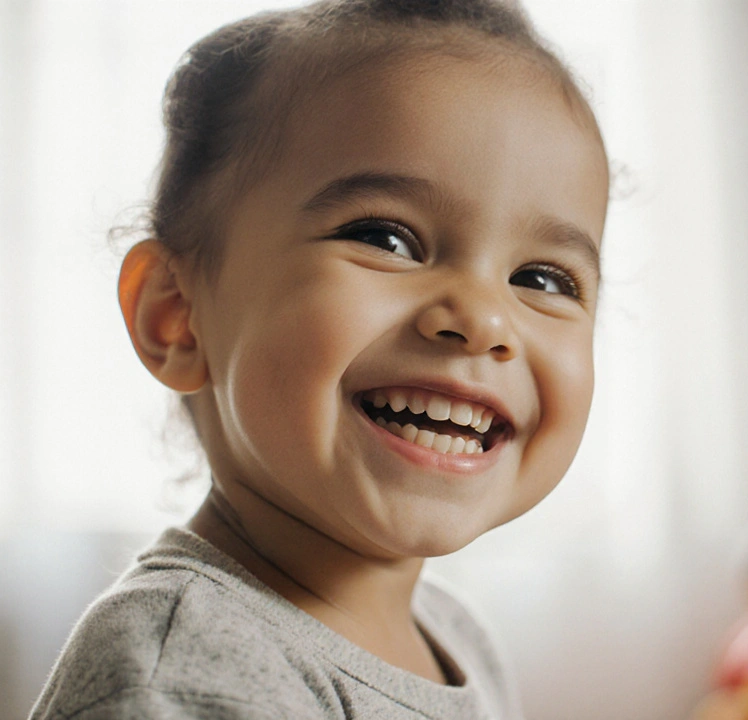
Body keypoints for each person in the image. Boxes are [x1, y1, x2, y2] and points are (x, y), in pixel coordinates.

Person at [29, 1, 609, 717]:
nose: (486, 319)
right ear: (176, 317)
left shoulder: (455, 637)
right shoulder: (191, 675)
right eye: (386, 239)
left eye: (542, 279)